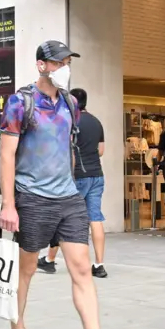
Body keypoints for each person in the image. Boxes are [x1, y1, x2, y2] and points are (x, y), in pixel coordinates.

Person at [0, 41, 100, 329]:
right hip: (33, 197)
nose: (63, 68)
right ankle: (18, 328)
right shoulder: (20, 102)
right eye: (58, 62)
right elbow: (6, 155)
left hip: (69, 198)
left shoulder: (70, 104)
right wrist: (9, 204)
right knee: (26, 269)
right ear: (41, 65)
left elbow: (67, 146)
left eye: (67, 63)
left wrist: (69, 181)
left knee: (82, 268)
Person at [37, 88, 108, 278]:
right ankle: (99, 265)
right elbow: (101, 151)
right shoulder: (96, 122)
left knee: (62, 217)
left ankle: (50, 260)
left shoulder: (69, 121)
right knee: (96, 218)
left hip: (76, 176)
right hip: (97, 175)